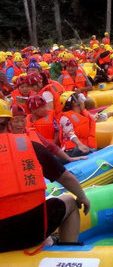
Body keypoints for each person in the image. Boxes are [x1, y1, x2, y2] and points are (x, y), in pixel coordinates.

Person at [0, 99, 90, 252]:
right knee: (70, 200)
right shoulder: (28, 146)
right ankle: (67, 255)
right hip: (34, 230)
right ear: (9, 124)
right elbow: (66, 178)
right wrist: (82, 197)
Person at [58, 91, 97, 158]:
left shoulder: (84, 114)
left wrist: (111, 113)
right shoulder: (64, 118)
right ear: (74, 103)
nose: (83, 102)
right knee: (81, 150)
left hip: (87, 147)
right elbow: (70, 133)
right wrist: (79, 144)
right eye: (81, 99)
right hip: (72, 151)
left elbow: (96, 118)